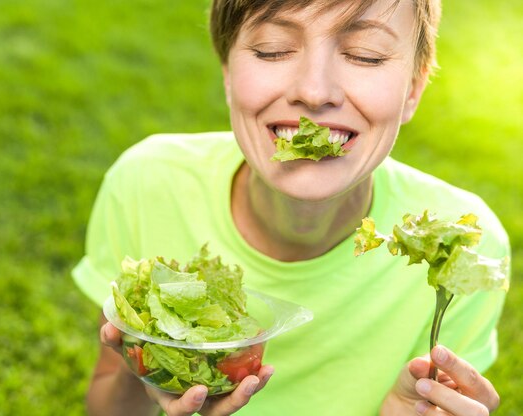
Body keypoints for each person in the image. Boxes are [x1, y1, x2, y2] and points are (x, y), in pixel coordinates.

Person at [72, 0, 510, 414]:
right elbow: (107, 403)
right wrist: (146, 365)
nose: (314, 92)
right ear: (228, 74)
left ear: (413, 89)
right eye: (273, 50)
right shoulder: (148, 184)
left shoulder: (462, 250)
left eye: (366, 55)